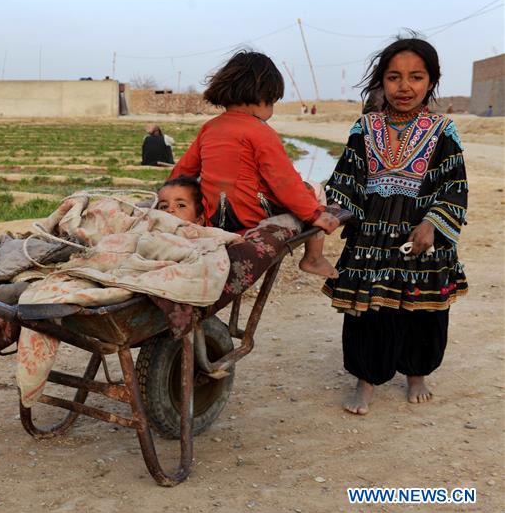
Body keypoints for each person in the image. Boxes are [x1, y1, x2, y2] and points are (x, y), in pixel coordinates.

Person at [322, 37, 468, 415]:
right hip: (371, 236)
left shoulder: (443, 130)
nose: (404, 86)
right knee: (368, 310)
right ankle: (366, 379)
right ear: (381, 82)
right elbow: (348, 177)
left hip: (421, 236)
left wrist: (433, 224)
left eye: (416, 77)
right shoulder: (364, 127)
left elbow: (453, 186)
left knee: (422, 309)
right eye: (394, 77)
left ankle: (417, 373)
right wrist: (335, 210)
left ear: (431, 82)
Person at [169, 51, 340, 278]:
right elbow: (284, 181)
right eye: (272, 101)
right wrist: (313, 215)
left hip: (215, 218)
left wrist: (168, 202)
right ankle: (313, 258)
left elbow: (182, 173)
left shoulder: (209, 128)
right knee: (315, 188)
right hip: (252, 217)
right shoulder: (260, 132)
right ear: (262, 97)